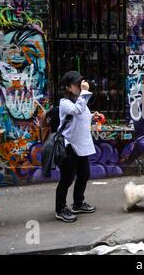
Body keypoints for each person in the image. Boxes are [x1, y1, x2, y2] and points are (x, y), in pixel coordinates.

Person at [55, 70, 101, 223]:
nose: (80, 86)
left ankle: (78, 203)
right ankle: (60, 209)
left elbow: (83, 114)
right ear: (68, 87)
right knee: (67, 179)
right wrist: (85, 92)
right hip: (69, 146)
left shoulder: (80, 100)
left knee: (84, 175)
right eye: (77, 84)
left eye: (81, 82)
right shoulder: (65, 103)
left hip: (81, 146)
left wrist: (93, 116)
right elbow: (77, 110)